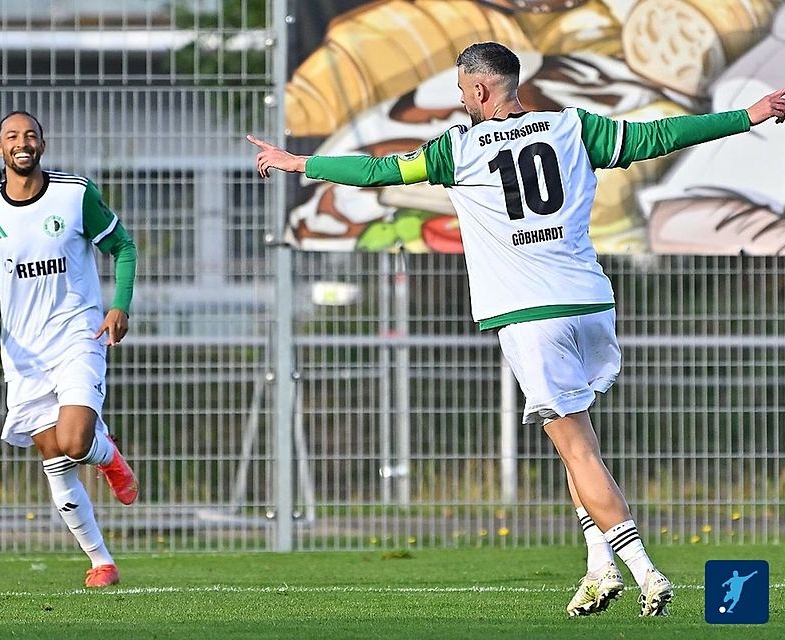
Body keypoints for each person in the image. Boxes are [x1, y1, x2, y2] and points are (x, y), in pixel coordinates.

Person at [249, 42, 785, 617]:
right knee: (579, 443)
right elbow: (660, 137)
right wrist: (747, 115)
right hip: (590, 303)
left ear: (480, 91)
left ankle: (646, 574)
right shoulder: (573, 128)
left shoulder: (458, 149)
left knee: (576, 449)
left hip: (532, 316)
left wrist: (302, 164)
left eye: (461, 91)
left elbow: (379, 170)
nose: (460, 100)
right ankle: (598, 566)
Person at [0, 111, 139, 588]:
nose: (23, 142)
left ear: (43, 144)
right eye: (12, 136)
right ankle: (101, 561)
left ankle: (106, 454)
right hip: (23, 351)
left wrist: (119, 305)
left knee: (75, 440)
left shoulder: (74, 194)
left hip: (78, 334)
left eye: (31, 135)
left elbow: (123, 247)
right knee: (54, 456)